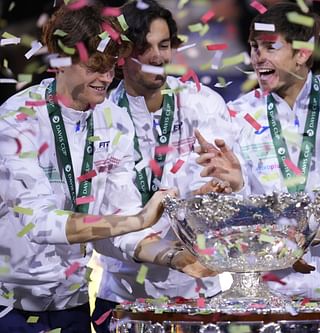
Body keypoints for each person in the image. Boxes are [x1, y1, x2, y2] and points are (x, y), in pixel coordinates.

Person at [0, 3, 215, 332]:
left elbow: (117, 228)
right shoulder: (17, 119)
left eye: (112, 65)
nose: (107, 77)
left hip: (72, 307)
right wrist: (139, 218)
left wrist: (175, 257)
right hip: (11, 310)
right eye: (95, 66)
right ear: (59, 61)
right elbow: (39, 224)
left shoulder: (112, 119)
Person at [195, 2, 320, 298]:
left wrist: (311, 236)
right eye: (254, 47)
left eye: (270, 47)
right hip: (268, 290)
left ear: (302, 53)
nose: (258, 57)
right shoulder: (238, 114)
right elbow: (240, 212)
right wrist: (237, 186)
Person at [91, 1, 235, 331]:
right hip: (125, 299)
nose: (158, 57)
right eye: (144, 47)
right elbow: (98, 219)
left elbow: (233, 191)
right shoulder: (100, 119)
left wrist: (230, 185)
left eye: (165, 44)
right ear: (121, 53)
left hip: (199, 295)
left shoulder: (205, 104)